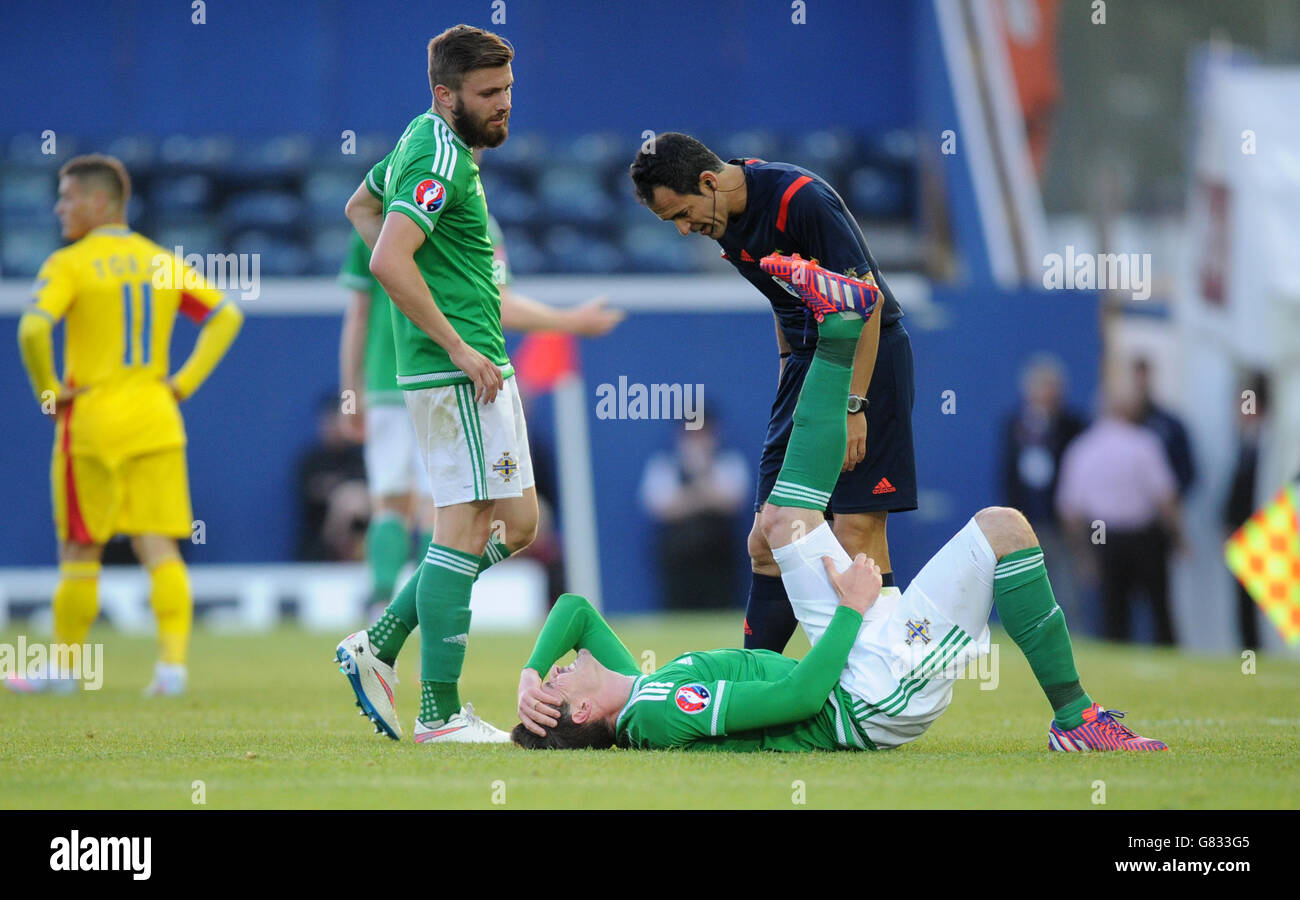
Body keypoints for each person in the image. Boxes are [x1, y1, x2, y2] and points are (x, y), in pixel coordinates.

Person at [513, 507, 1167, 753]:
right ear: (584, 709)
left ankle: (836, 328)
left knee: (780, 519)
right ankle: (1076, 719)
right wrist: (854, 609)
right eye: (559, 683)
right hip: (867, 694)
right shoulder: (656, 710)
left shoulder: (639, 690)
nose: (561, 667)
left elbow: (574, 611)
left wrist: (528, 676)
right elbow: (799, 698)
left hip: (846, 660)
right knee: (1005, 533)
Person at [335, 24, 543, 744]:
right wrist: (452, 342)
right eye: (488, 93)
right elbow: (389, 258)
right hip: (459, 369)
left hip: (480, 362)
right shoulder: (433, 148)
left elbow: (358, 209)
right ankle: (440, 714)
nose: (503, 105)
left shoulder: (430, 145)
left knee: (519, 525)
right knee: (461, 529)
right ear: (444, 93)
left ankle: (381, 642)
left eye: (508, 90)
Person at [629, 133, 916, 654]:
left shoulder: (800, 199)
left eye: (682, 213)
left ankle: (885, 682)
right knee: (767, 538)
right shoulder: (726, 227)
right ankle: (751, 680)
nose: (684, 229)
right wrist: (788, 369)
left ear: (709, 181)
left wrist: (854, 404)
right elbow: (783, 303)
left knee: (856, 531)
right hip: (806, 366)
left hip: (865, 363)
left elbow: (866, 302)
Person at [10, 154, 243, 696]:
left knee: (79, 550)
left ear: (97, 202)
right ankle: (171, 670)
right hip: (155, 421)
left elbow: (30, 331)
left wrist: (49, 392)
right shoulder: (158, 261)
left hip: (88, 424)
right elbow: (224, 315)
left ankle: (66, 672)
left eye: (67, 197)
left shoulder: (69, 262)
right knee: (159, 549)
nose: (58, 207)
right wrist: (181, 384)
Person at [337, 217, 620, 611]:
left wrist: (351, 390)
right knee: (436, 508)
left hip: (386, 383)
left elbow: (359, 314)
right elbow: (499, 303)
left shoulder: (377, 217)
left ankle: (380, 606)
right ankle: (418, 611)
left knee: (389, 504)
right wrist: (569, 321)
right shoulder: (475, 219)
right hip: (442, 379)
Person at [1056, 373, 1182, 645]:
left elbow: (1070, 510)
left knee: (1113, 612)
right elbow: (1164, 496)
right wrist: (1177, 535)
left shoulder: (1082, 449)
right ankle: (1167, 655)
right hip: (1144, 536)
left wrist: (1082, 553)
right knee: (1159, 608)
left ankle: (1117, 665)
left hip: (1103, 536)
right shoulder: (1144, 443)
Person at [999, 353, 1086, 619]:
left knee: (1066, 585)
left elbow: (1079, 472)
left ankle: (1072, 636)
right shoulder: (1014, 424)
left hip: (1061, 521)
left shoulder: (1073, 425)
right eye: (1043, 387)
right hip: (1027, 520)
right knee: (1027, 585)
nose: (1049, 394)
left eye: (1054, 388)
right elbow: (1007, 473)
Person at [639, 419, 750, 610]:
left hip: (718, 557)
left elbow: (732, 502)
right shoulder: (664, 465)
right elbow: (661, 508)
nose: (698, 441)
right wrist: (704, 495)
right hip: (678, 557)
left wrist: (699, 476)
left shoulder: (729, 463)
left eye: (703, 434)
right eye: (692, 435)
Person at [1133, 357, 1195, 497]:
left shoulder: (1170, 425)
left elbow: (1188, 471)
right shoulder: (1115, 429)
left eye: (1144, 378)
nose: (1140, 385)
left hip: (1159, 508)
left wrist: (1171, 495)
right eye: (1136, 379)